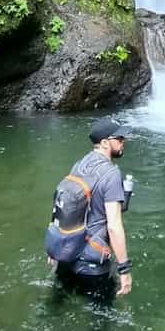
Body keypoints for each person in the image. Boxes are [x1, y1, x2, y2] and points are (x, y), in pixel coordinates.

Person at [47, 117, 134, 300]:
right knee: (101, 321)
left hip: (65, 255)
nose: (123, 142)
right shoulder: (111, 174)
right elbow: (114, 226)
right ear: (104, 143)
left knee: (55, 307)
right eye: (119, 139)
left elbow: (63, 202)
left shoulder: (79, 164)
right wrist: (124, 269)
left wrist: (54, 248)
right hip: (92, 264)